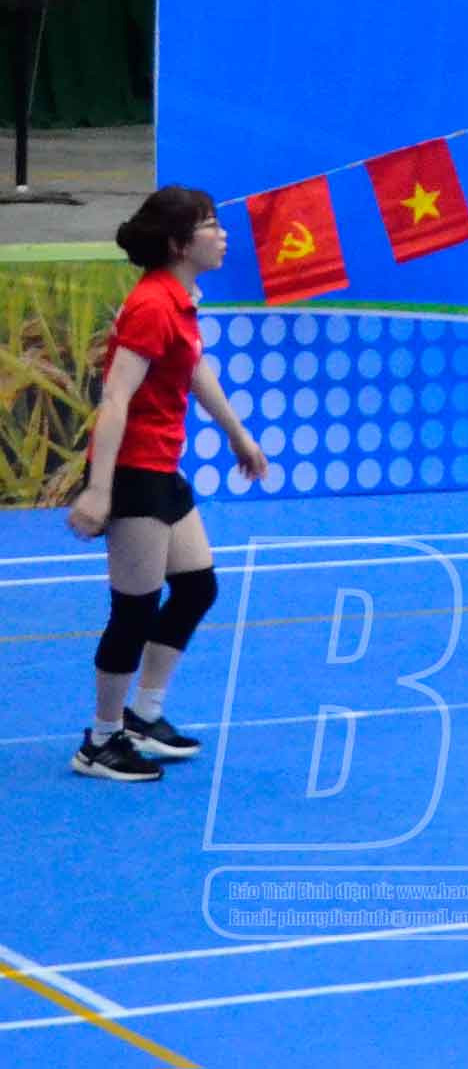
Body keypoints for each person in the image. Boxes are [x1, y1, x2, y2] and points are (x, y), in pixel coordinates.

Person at [65, 188, 263, 781]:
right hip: (134, 473)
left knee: (197, 587)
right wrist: (100, 490)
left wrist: (237, 434)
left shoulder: (180, 299)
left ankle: (144, 715)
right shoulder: (152, 305)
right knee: (134, 611)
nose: (222, 234)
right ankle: (101, 740)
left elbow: (194, 368)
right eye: (210, 225)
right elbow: (116, 398)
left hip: (161, 468)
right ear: (179, 244)